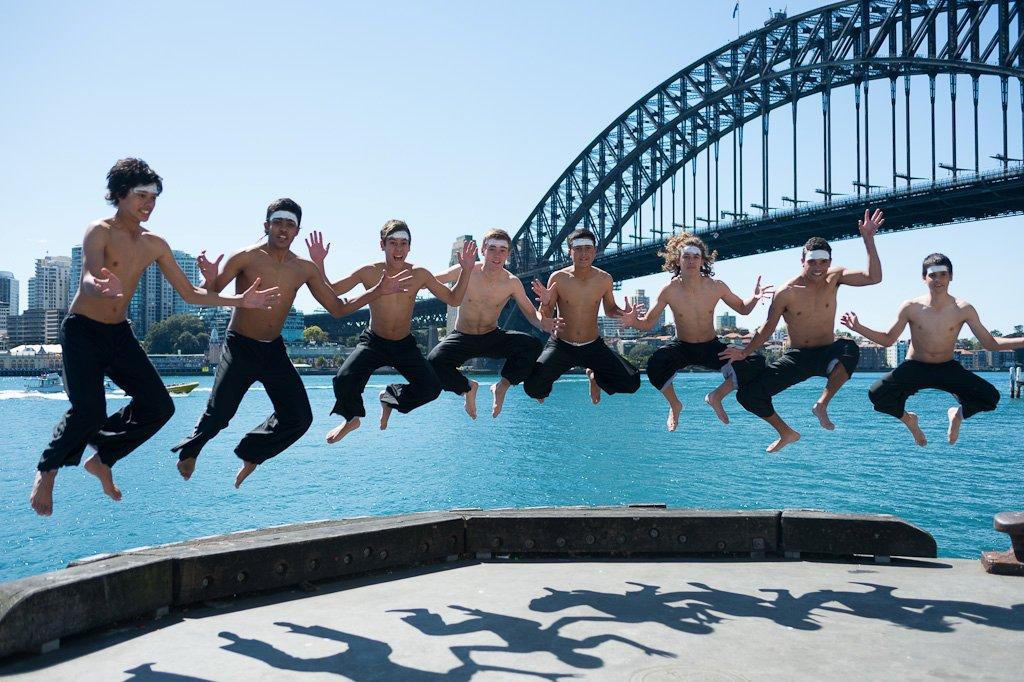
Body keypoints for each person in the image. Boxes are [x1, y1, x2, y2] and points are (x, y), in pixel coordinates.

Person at [30, 158, 281, 516]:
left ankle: (102, 459)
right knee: (89, 409)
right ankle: (47, 470)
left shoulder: (155, 243)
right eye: (141, 195)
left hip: (119, 334)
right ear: (119, 194)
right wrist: (98, 285)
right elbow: (87, 274)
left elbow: (191, 294)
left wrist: (238, 299)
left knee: (160, 406)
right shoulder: (98, 230)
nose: (149, 203)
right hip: (82, 330)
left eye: (154, 197)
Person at [172, 199, 412, 487]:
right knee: (220, 413)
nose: (284, 229)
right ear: (266, 225)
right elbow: (204, 296)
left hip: (273, 349)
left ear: (297, 230)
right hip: (240, 346)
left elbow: (337, 308)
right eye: (278, 222)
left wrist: (377, 291)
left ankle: (252, 454)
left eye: (290, 225)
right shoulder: (244, 257)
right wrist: (210, 280)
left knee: (299, 418)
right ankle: (191, 450)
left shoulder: (303, 268)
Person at [719, 208, 885, 452]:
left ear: (829, 261)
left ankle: (821, 405)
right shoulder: (787, 292)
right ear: (802, 261)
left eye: (823, 262)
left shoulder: (835, 277)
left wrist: (869, 240)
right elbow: (767, 329)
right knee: (747, 395)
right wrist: (744, 352)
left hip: (828, 351)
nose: (818, 268)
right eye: (812, 262)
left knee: (850, 348)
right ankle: (786, 432)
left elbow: (874, 277)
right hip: (798, 358)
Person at [308, 219, 476, 443]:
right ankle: (352, 418)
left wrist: (466, 270)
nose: (398, 249)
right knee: (343, 379)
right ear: (382, 245)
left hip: (403, 344)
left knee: (432, 388)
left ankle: (390, 397)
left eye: (403, 243)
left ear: (409, 247)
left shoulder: (420, 274)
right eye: (393, 243)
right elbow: (332, 290)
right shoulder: (369, 272)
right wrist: (319, 263)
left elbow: (454, 299)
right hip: (374, 342)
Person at [841, 253, 1016, 445]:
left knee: (990, 397)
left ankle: (957, 415)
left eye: (943, 274)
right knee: (877, 395)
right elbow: (887, 340)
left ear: (951, 276)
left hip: (947, 367)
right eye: (933, 275)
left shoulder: (963, 309)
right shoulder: (911, 307)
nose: (938, 279)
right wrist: (858, 328)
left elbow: (989, 343)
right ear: (924, 278)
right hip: (915, 366)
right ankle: (909, 420)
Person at [620, 233, 773, 431]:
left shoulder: (716, 286)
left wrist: (754, 297)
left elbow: (743, 309)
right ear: (678, 260)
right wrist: (634, 321)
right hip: (682, 347)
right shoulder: (669, 290)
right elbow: (647, 324)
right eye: (686, 257)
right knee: (655, 363)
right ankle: (675, 405)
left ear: (703, 261)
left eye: (695, 257)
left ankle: (716, 396)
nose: (691, 261)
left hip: (711, 346)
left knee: (755, 362)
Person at [426, 229, 564, 419]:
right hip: (462, 337)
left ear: (508, 254)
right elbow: (429, 280)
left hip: (491, 335)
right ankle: (468, 387)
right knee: (434, 362)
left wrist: (543, 323)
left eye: (502, 250)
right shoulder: (466, 270)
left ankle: (502, 386)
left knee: (531, 345)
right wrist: (404, 283)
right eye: (492, 249)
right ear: (483, 250)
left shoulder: (511, 282)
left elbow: (531, 314)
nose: (497, 255)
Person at [522, 228, 641, 404]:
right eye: (578, 248)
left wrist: (624, 314)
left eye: (588, 248)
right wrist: (546, 301)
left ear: (595, 251)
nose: (583, 253)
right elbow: (546, 315)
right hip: (562, 345)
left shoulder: (604, 279)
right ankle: (545, 386)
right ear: (570, 252)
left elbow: (610, 309)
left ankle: (594, 376)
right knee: (532, 388)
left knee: (632, 383)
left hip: (592, 346)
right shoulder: (558, 278)